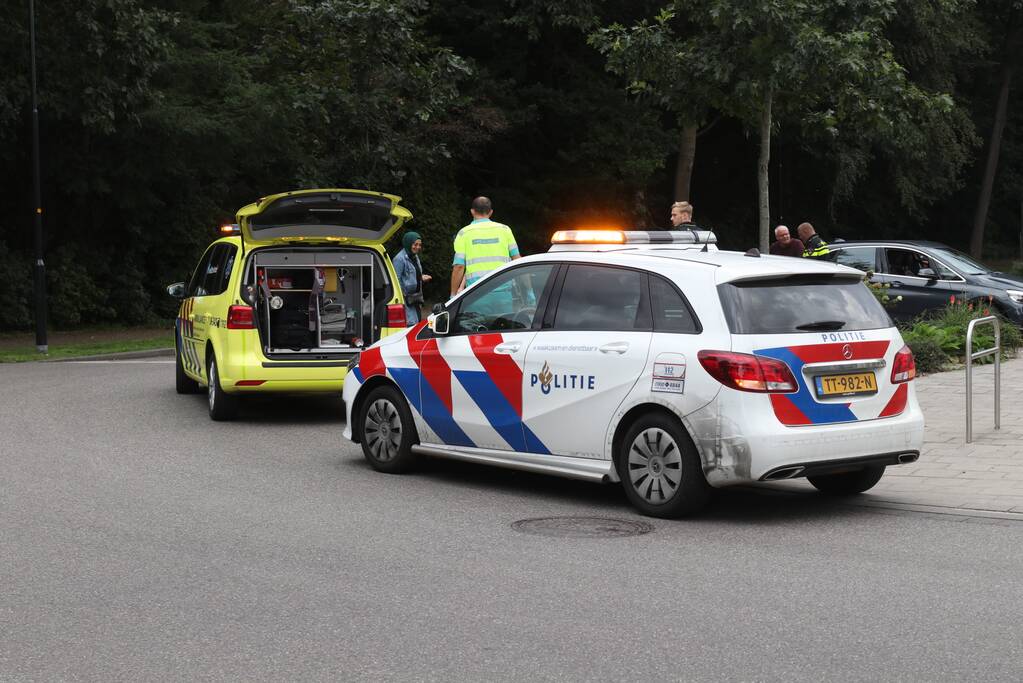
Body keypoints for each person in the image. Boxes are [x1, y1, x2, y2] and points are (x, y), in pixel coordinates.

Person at [450, 196, 520, 296]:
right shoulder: (505, 230)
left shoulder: (463, 233)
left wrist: (453, 295)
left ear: (472, 211)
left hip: (475, 294)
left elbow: (459, 267)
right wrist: (529, 292)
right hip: (503, 292)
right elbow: (517, 260)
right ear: (491, 212)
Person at [392, 231, 431, 325]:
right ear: (408, 243)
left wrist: (421, 277)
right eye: (415, 244)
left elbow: (413, 274)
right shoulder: (399, 259)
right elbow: (396, 281)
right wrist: (404, 297)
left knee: (417, 322)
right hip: (406, 301)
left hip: (416, 299)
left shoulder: (415, 256)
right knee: (410, 325)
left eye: (419, 245)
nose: (418, 247)